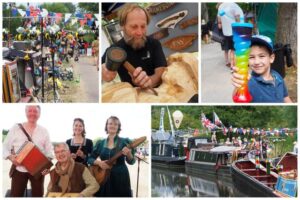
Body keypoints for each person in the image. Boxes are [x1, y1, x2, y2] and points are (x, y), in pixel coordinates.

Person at [102, 4, 166, 89]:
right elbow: (101, 68)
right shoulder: (114, 50)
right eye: (134, 27)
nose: (139, 33)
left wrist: (149, 82)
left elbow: (160, 72)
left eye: (143, 26)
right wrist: (103, 72)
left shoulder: (154, 43)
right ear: (122, 26)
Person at [3, 105, 53, 197]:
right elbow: (5, 147)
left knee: (38, 195)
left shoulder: (44, 131)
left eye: (35, 111)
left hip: (37, 170)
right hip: (19, 170)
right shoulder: (16, 128)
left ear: (39, 113)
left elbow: (49, 152)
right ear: (26, 112)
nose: (32, 113)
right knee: (16, 195)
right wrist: (11, 158)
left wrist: (47, 167)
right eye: (30, 111)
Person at [231, 35, 293, 103]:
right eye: (251, 57)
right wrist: (239, 84)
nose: (256, 62)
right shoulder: (249, 81)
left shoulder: (277, 76)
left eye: (261, 56)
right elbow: (237, 99)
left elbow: (285, 97)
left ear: (271, 58)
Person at [88, 116, 135, 197]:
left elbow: (132, 161)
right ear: (106, 126)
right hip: (104, 176)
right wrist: (99, 163)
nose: (112, 126)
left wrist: (129, 153)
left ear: (118, 127)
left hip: (120, 176)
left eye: (115, 124)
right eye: (110, 123)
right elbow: (89, 159)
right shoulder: (100, 143)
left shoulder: (125, 142)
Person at [217, 2, 244, 67]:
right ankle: (236, 66)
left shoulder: (220, 7)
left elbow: (219, 22)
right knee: (235, 50)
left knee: (232, 50)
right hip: (234, 32)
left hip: (226, 33)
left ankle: (232, 66)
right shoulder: (234, 6)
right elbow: (237, 17)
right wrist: (239, 29)